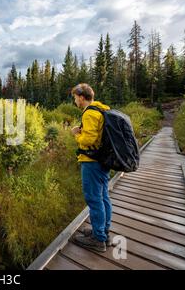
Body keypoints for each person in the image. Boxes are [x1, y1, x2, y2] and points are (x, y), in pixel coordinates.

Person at [70, 83, 112, 253]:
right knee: (103, 197)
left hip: (91, 161)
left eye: (75, 97)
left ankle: (98, 239)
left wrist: (76, 134)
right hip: (102, 161)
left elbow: (88, 141)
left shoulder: (89, 113)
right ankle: (102, 231)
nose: (74, 101)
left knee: (94, 198)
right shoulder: (100, 110)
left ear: (81, 97)